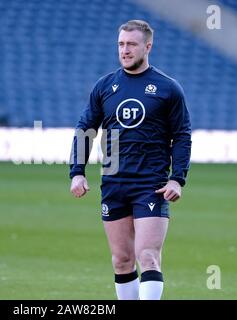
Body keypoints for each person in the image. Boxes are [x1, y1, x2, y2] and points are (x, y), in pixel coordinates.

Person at [69, 20, 192, 300]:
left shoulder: (168, 88)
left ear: (148, 46)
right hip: (113, 181)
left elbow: (182, 135)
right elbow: (86, 129)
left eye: (131, 44)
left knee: (148, 256)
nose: (125, 50)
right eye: (121, 44)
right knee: (121, 261)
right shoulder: (105, 86)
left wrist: (177, 177)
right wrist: (77, 172)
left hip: (151, 183)